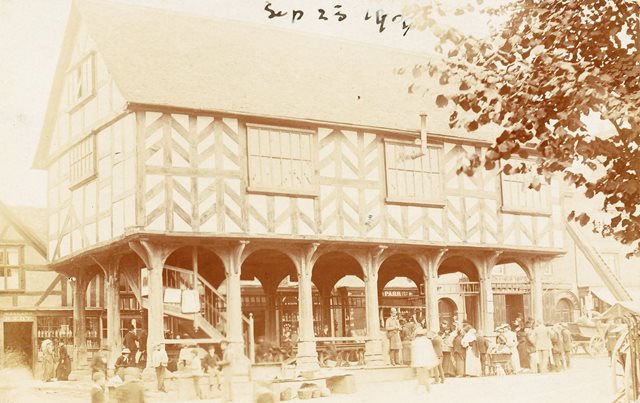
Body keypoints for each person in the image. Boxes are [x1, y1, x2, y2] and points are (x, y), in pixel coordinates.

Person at [411, 327, 439, 393]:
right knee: (424, 374)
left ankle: (423, 387)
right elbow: (430, 351)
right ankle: (425, 387)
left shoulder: (415, 342)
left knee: (419, 374)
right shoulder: (427, 341)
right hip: (425, 360)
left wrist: (413, 361)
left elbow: (414, 352)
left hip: (418, 361)